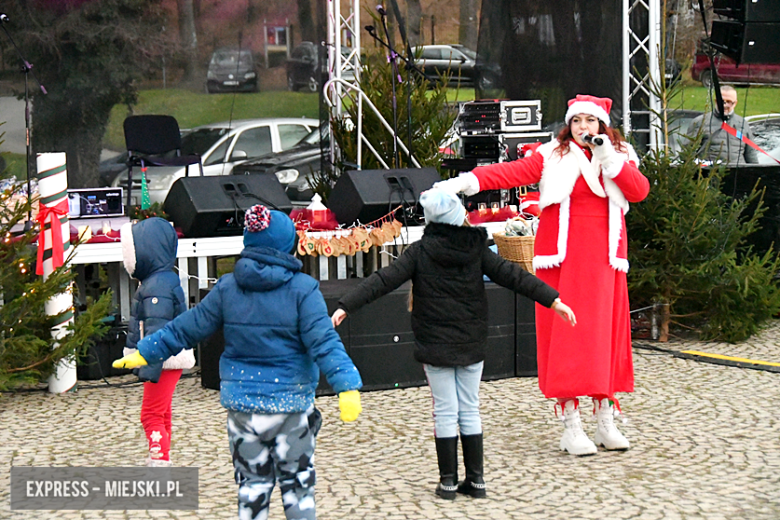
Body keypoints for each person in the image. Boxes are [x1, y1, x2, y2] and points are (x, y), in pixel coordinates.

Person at [114, 205, 363, 520]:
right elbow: (324, 342)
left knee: (252, 487)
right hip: (291, 405)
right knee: (298, 488)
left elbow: (188, 325)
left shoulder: (227, 288)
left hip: (242, 408)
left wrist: (149, 349)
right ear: (288, 244)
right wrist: (347, 385)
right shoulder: (304, 291)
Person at [434, 94, 650, 456]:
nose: (583, 127)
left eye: (590, 121)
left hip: (605, 261)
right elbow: (509, 172)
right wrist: (464, 182)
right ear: (569, 124)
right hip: (563, 261)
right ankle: (571, 424)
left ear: (602, 125)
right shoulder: (552, 154)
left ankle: (605, 418)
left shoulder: (619, 155)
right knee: (566, 338)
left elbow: (638, 191)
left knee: (604, 337)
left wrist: (607, 158)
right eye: (577, 121)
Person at [331, 190, 576, 499]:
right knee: (470, 409)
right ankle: (476, 481)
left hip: (434, 341)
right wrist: (553, 299)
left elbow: (384, 279)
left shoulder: (420, 251)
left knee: (445, 411)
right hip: (471, 338)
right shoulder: (478, 248)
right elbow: (514, 275)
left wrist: (346, 305)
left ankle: (448, 482)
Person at [120, 217, 195, 467]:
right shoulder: (161, 280)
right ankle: (163, 457)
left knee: (150, 413)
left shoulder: (155, 288)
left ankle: (159, 461)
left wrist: (148, 365)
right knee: (161, 411)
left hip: (162, 358)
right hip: (169, 355)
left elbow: (156, 329)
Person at [687, 85, 758, 164]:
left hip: (738, 174)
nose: (724, 105)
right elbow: (687, 154)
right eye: (722, 101)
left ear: (735, 103)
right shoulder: (700, 122)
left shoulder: (742, 124)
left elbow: (751, 155)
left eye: (729, 102)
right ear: (716, 101)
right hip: (710, 174)